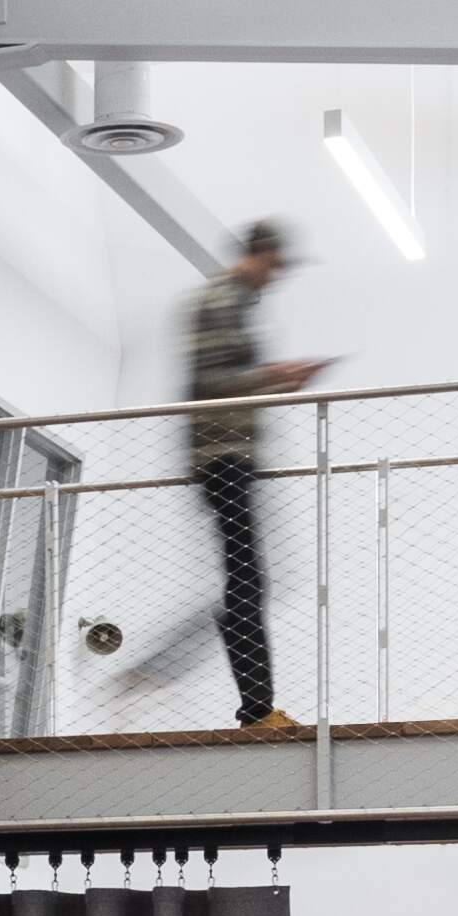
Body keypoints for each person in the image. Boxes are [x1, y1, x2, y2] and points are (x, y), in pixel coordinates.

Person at [182, 218, 325, 732]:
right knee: (247, 581)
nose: (278, 277)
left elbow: (226, 384)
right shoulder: (221, 299)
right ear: (260, 254)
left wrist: (277, 385)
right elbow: (210, 383)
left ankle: (257, 709)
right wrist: (274, 376)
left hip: (230, 455)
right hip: (220, 457)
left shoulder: (235, 302)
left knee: (249, 580)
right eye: (278, 265)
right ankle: (256, 712)